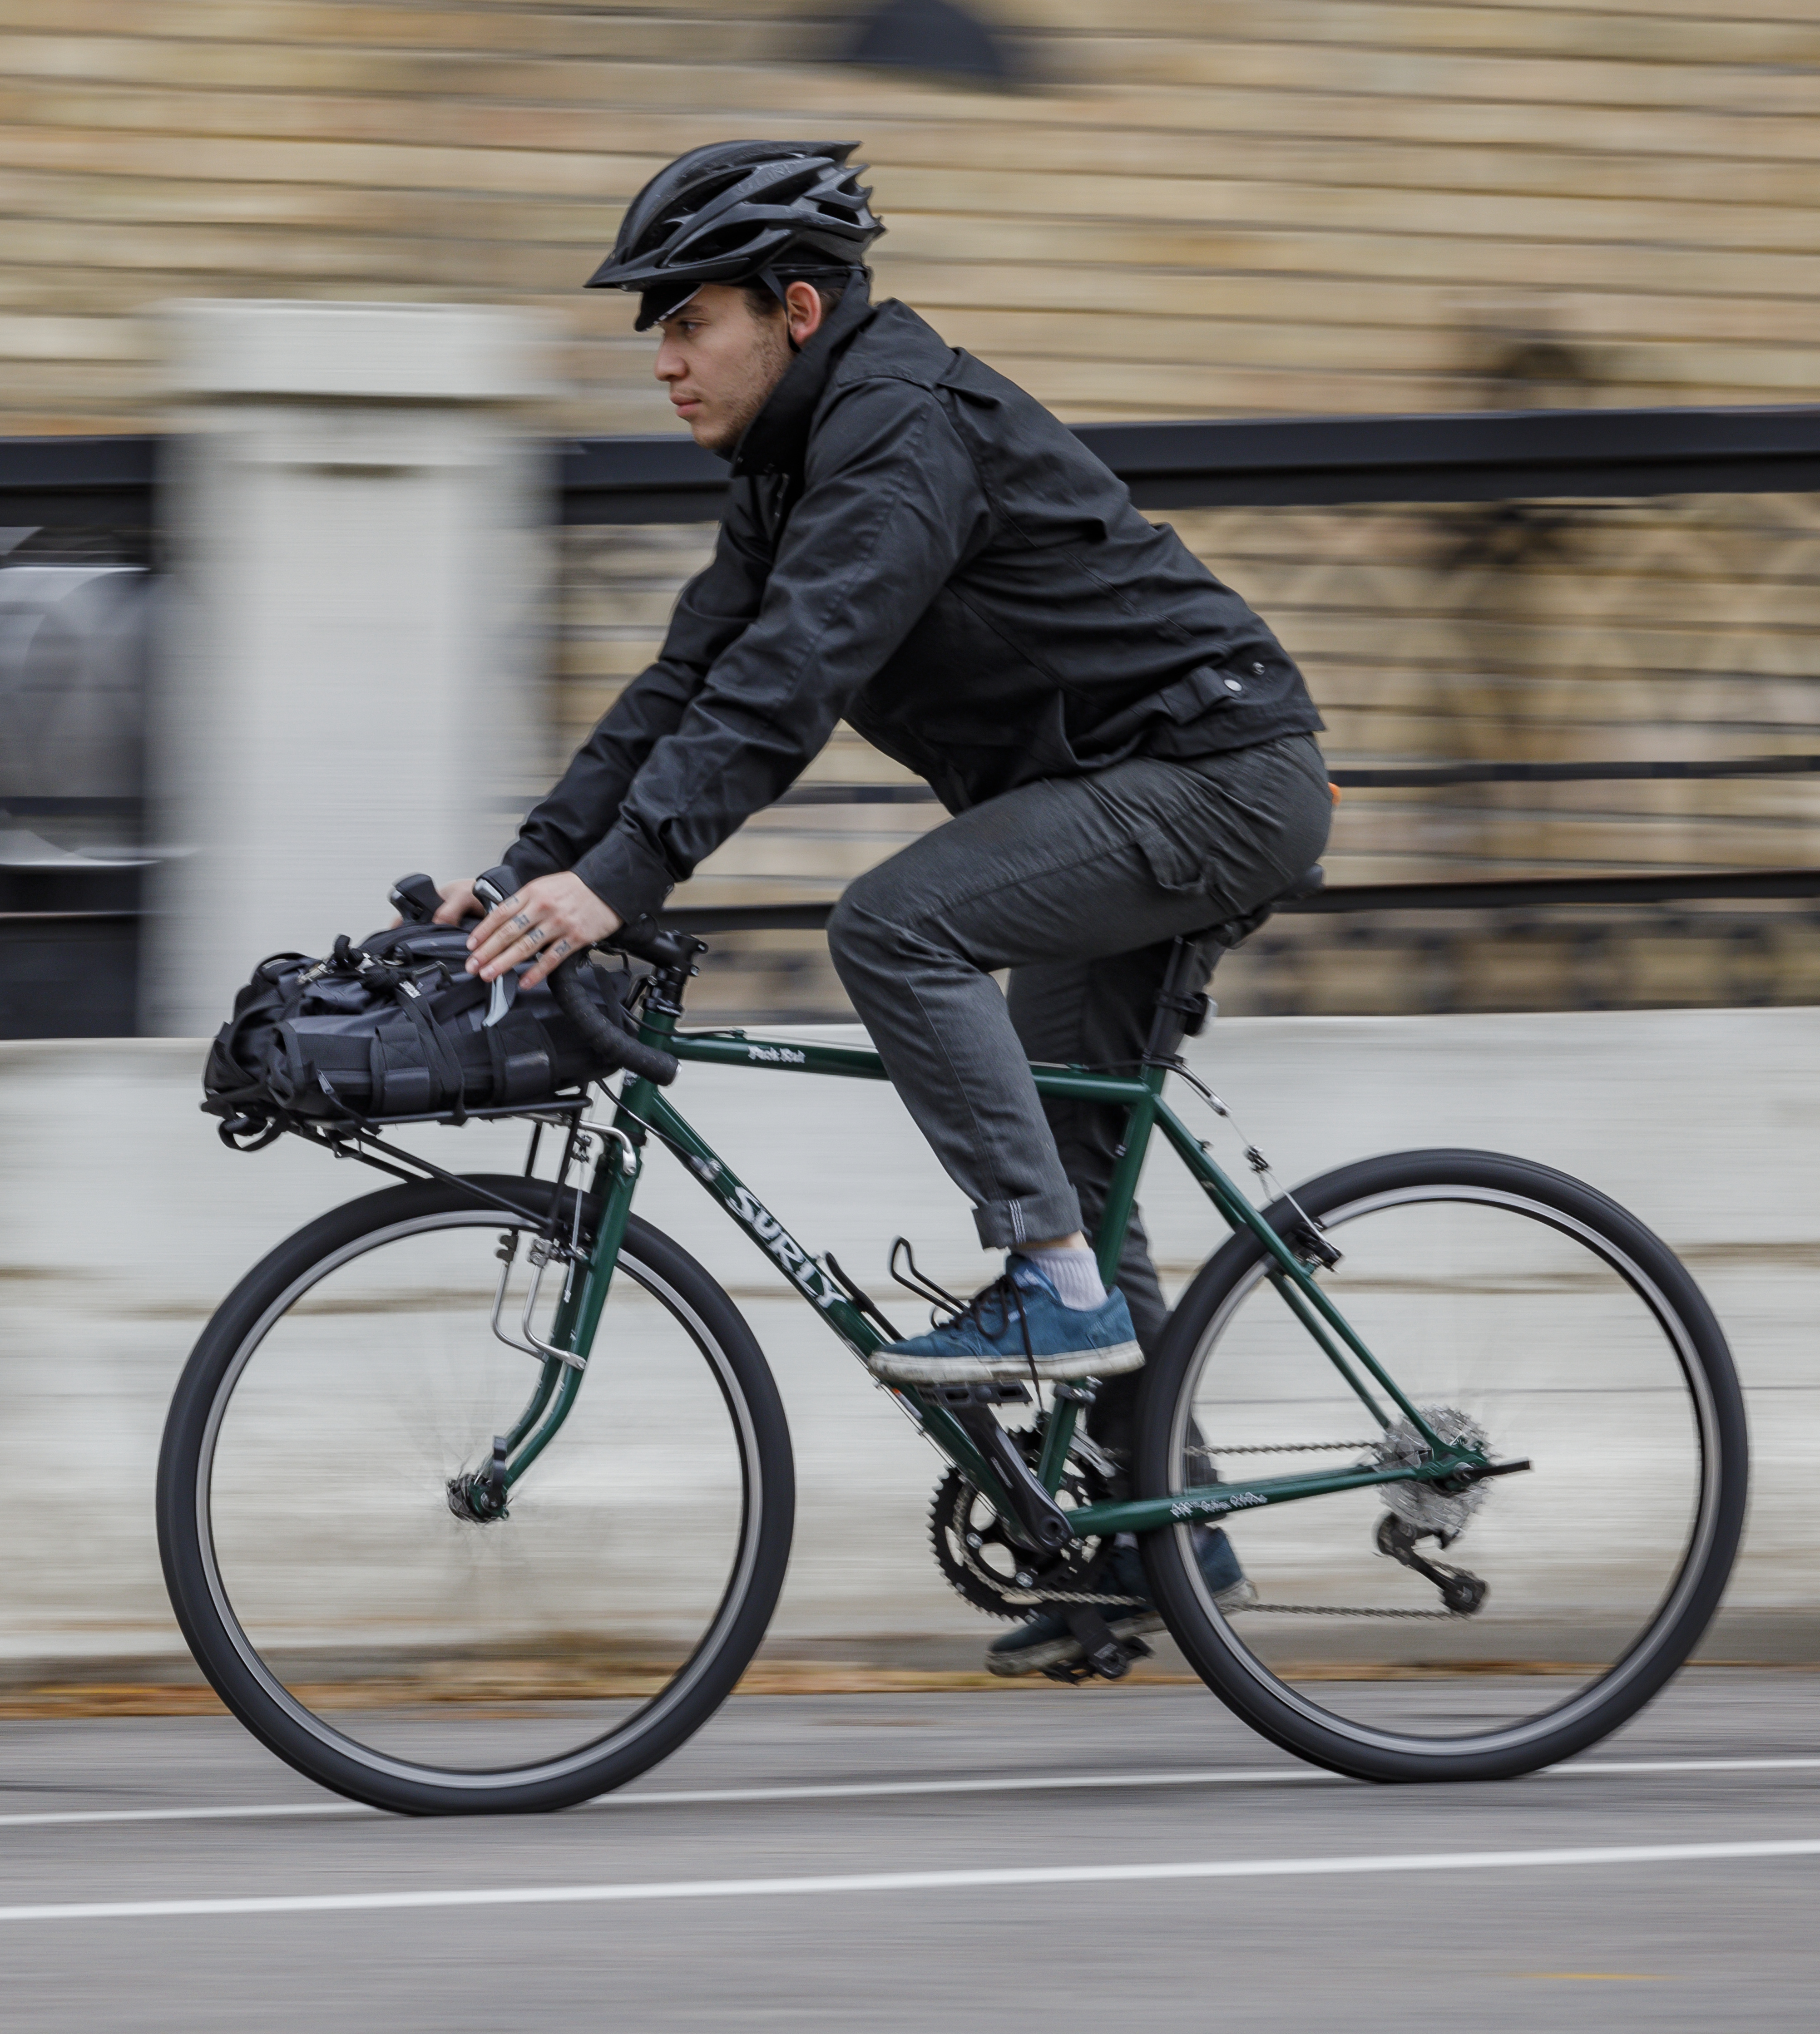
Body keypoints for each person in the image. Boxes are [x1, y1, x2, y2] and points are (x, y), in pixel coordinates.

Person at [435, 139, 1334, 1673]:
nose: (660, 359)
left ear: (795, 306)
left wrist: (623, 881)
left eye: (682, 322)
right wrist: (533, 871)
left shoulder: (899, 430)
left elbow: (793, 682)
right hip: (1111, 797)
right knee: (1069, 1150)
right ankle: (1153, 1552)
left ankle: (1044, 1290)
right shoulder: (793, 465)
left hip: (1212, 777)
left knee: (894, 929)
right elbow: (686, 688)